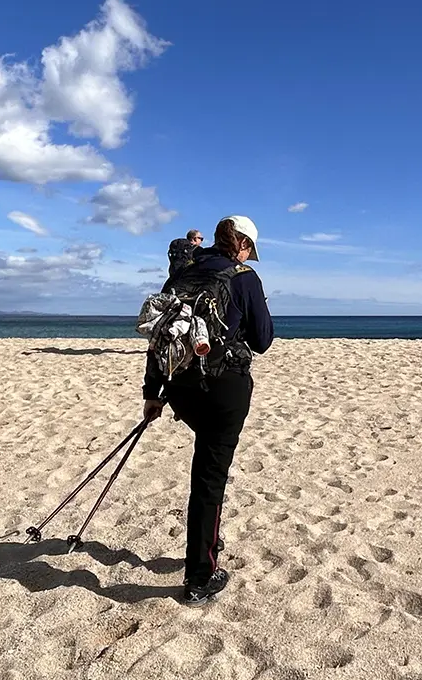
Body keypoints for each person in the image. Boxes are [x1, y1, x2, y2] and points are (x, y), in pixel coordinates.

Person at [143, 215, 273, 605]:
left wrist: (153, 393)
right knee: (209, 479)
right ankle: (201, 575)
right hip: (224, 391)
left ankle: (209, 539)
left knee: (208, 466)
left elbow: (158, 337)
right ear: (244, 246)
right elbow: (263, 340)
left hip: (180, 389)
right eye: (250, 249)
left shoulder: (180, 276)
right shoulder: (244, 277)